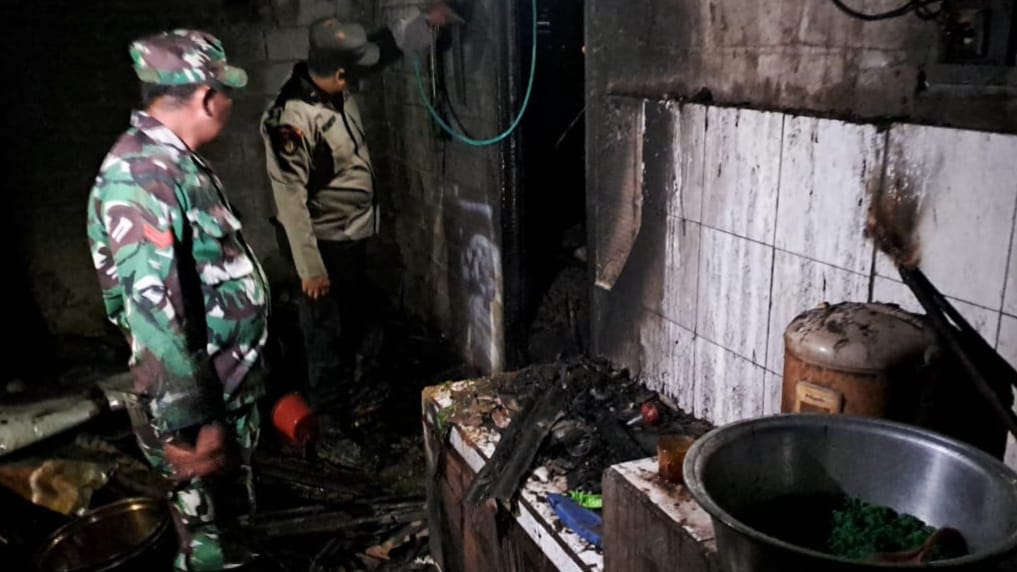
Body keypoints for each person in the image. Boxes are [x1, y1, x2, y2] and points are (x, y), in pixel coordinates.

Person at [86, 29, 269, 571]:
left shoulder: (171, 162)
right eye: (226, 92)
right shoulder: (143, 177)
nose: (229, 104)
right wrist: (195, 426)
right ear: (207, 97)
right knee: (212, 543)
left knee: (230, 529)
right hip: (198, 409)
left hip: (221, 392)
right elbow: (155, 314)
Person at [261, 5, 455, 414]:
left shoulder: (330, 80)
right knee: (324, 325)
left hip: (349, 233)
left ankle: (352, 383)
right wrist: (310, 269)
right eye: (353, 72)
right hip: (320, 241)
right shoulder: (291, 121)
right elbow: (289, 200)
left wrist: (426, 23)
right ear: (340, 74)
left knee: (350, 312)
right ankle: (329, 409)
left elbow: (383, 48)